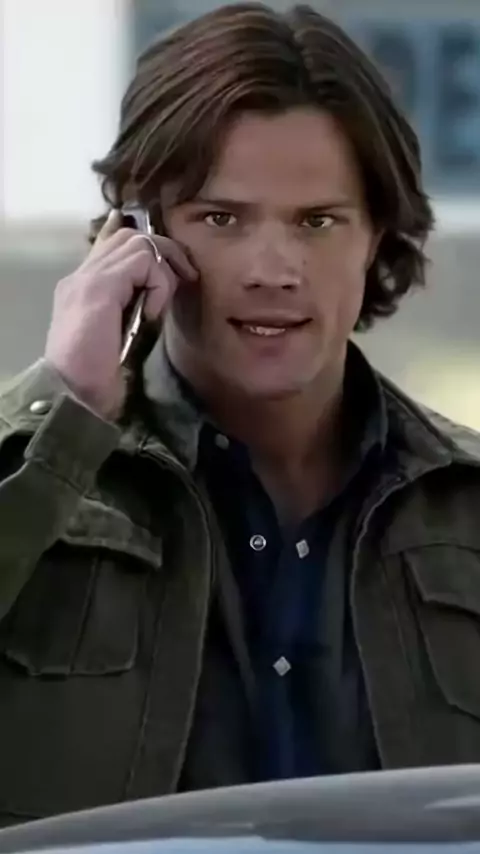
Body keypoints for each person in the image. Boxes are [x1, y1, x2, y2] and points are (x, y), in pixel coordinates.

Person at [0, 0, 479, 828]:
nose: (274, 269)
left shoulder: (466, 507)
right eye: (221, 219)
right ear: (136, 235)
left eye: (318, 222)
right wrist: (66, 409)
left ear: (376, 236)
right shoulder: (42, 477)